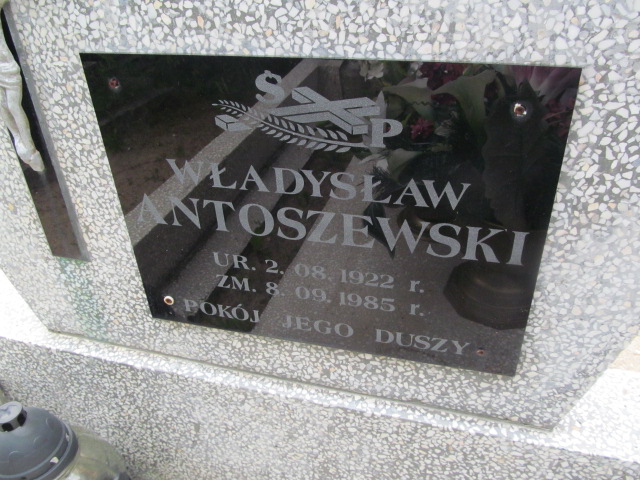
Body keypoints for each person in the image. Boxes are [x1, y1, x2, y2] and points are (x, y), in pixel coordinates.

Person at [0, 0, 43, 171]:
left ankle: (30, 149)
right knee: (3, 107)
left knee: (13, 106)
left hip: (6, 68)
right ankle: (20, 143)